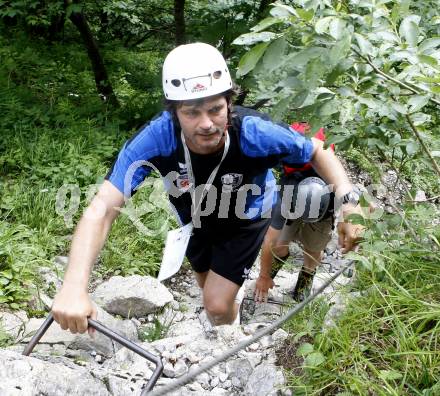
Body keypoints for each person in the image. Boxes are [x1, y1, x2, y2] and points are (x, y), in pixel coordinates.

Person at [52, 42, 364, 334]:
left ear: (229, 103)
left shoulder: (253, 131)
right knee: (207, 288)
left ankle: (229, 342)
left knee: (215, 305)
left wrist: (348, 203)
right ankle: (232, 307)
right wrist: (73, 286)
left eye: (215, 109)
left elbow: (316, 150)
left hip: (247, 216)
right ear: (174, 113)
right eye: (191, 112)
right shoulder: (157, 138)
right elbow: (102, 208)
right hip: (195, 221)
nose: (206, 123)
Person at [254, 123, 349, 304]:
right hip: (295, 195)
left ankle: (306, 278)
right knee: (279, 244)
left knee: (314, 248)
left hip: (323, 208)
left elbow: (352, 202)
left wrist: (349, 221)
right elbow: (269, 241)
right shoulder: (287, 195)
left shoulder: (334, 191)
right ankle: (271, 275)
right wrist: (263, 276)